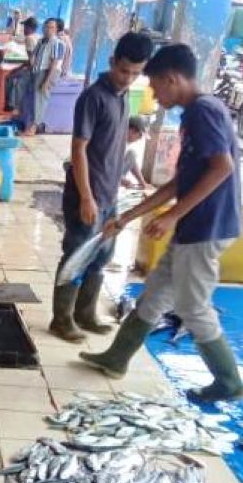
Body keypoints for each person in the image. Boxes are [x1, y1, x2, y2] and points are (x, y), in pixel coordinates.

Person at [81, 44, 243, 402]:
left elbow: (222, 168)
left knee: (192, 306)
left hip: (207, 228)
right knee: (156, 291)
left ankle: (229, 382)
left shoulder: (204, 111)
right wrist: (130, 216)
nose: (154, 95)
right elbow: (180, 182)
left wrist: (173, 215)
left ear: (172, 78)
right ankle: (116, 357)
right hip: (194, 226)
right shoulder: (194, 114)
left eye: (156, 86)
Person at [49, 32, 154, 343]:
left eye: (136, 74)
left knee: (101, 257)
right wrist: (86, 197)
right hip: (87, 195)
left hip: (109, 195)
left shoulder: (124, 99)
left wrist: (118, 179)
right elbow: (79, 148)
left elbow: (114, 146)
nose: (128, 79)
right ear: (112, 63)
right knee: (77, 255)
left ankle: (85, 313)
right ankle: (62, 319)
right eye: (124, 71)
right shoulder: (93, 97)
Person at [20, 17, 65, 136]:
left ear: (57, 30)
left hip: (47, 72)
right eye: (46, 26)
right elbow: (33, 57)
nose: (47, 29)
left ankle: (33, 127)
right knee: (31, 98)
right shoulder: (41, 41)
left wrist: (47, 81)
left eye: (51, 27)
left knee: (39, 100)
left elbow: (54, 63)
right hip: (37, 71)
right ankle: (28, 124)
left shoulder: (57, 43)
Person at [122, 116, 149, 191]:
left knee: (132, 154)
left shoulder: (125, 143)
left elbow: (132, 162)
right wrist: (122, 179)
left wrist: (143, 183)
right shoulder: (116, 141)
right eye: (140, 135)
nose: (139, 139)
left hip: (113, 174)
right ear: (132, 130)